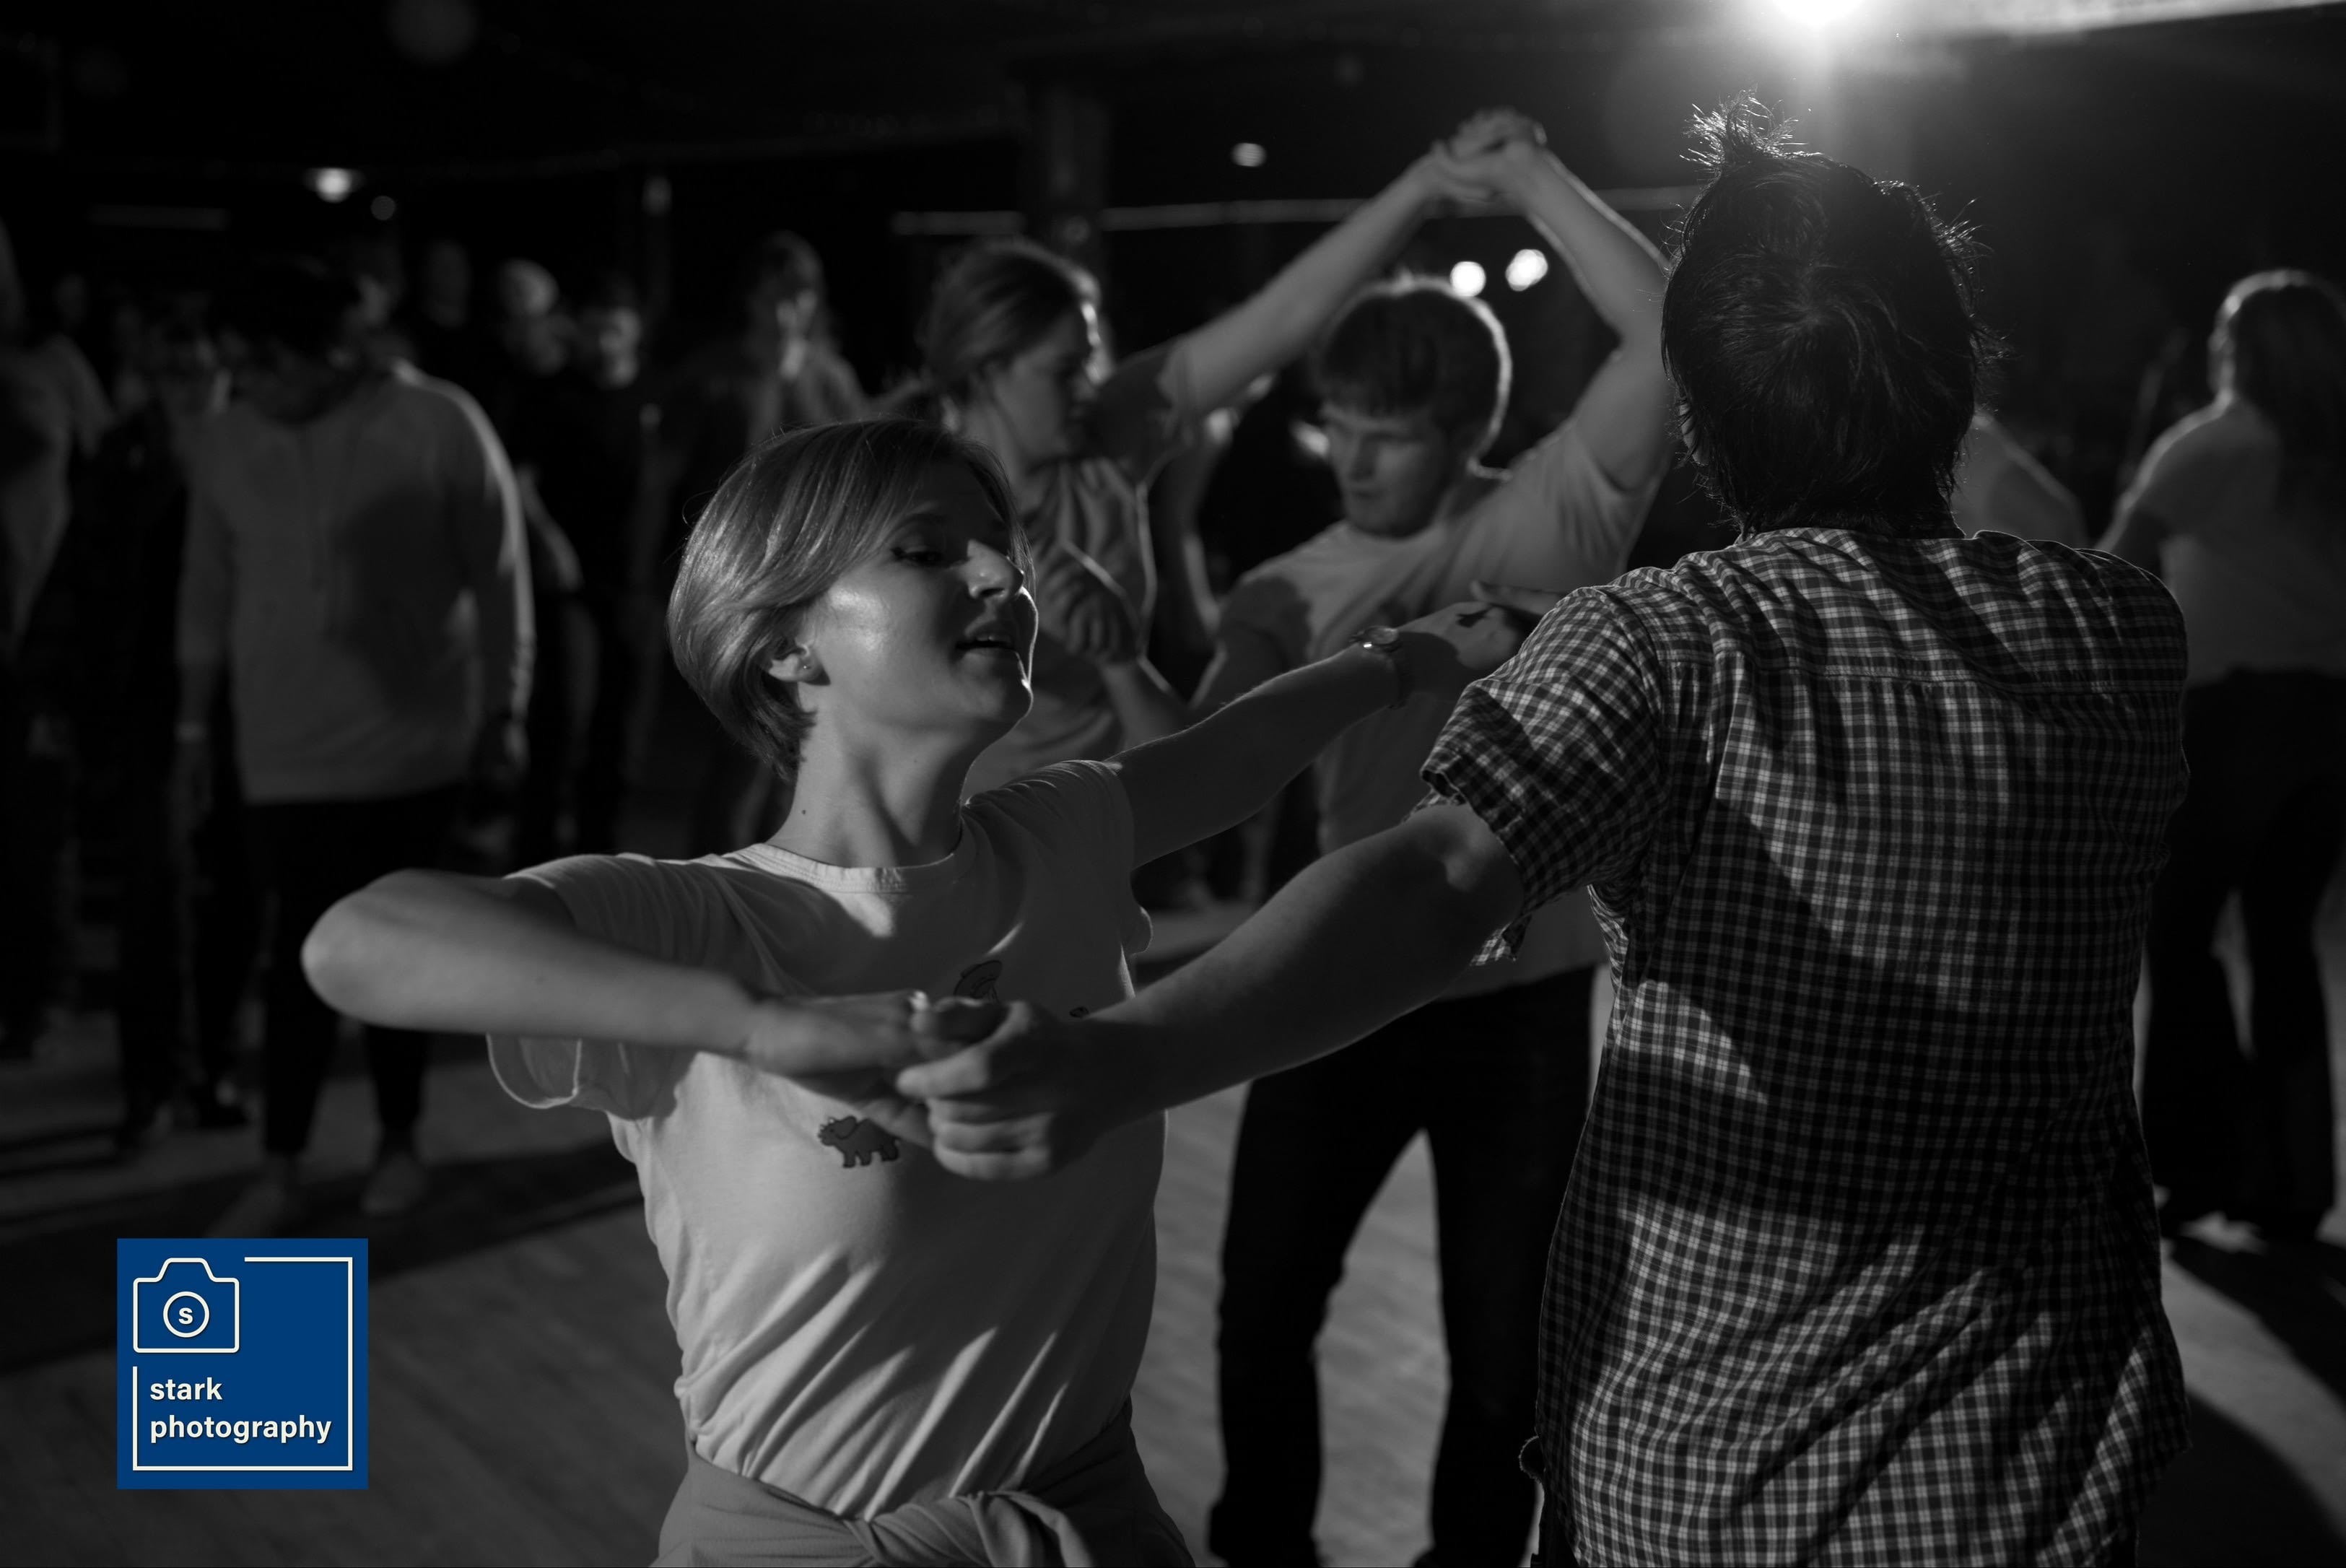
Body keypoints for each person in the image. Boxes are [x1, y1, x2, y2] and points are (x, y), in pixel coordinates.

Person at [897, 105, 2193, 1567]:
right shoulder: (2120, 635)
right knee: (1294, 1312)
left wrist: (1128, 1057)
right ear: (1950, 377)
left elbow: (1440, 873)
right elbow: (2027, 508)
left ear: (1696, 413)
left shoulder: (1664, 644)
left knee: (1465, 1336)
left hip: (1715, 1482)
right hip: (2036, 1481)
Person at [298, 417, 1531, 1562]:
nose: (1004, 575)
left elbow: (1240, 755)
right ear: (787, 643)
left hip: (1083, 1525)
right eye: (929, 550)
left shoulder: (1060, 837)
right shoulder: (698, 919)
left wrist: (1411, 656)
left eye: (1004, 550)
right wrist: (768, 1027)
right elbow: (358, 938)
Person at [1191, 113, 1672, 1568]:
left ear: (1464, 431)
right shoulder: (1287, 585)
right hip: (1332, 987)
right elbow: (1200, 768)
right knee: (1260, 1312)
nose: (1351, 454)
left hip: (1517, 1006)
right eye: (1337, 422)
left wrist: (1525, 176)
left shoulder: (1554, 513)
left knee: (1507, 1359)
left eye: (1386, 430)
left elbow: (1672, 334)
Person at [904, 130, 1496, 798]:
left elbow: (1281, 319)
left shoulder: (1107, 438)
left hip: (1103, 808)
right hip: (964, 816)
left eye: (1093, 363)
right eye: (1066, 371)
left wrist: (1424, 183)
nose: (1090, 389)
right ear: (987, 371)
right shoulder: (911, 495)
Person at [180, 256, 531, 1233]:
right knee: (298, 960)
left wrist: (504, 709)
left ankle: (398, 1142)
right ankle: (281, 1164)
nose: (249, 385)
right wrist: (192, 728)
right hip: (281, 747)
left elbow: (501, 577)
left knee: (403, 959)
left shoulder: (438, 422)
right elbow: (205, 592)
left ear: (331, 351)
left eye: (265, 363)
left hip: (414, 747)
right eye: (237, 366)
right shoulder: (227, 439)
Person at [2103, 269, 2346, 1243]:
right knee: (2283, 937)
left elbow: (2117, 564)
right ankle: (2293, 1179)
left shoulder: (2214, 441)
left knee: (2181, 932)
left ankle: (2198, 1161)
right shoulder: (2327, 456)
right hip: (2329, 717)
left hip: (2232, 713)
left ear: (2238, 349)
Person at [660, 231, 872, 851]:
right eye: (771, 296)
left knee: (800, 746)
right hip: (736, 585)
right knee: (740, 749)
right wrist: (647, 580)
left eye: (797, 297)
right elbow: (663, 480)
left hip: (816, 585)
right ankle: (722, 883)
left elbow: (864, 477)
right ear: (749, 300)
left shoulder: (829, 378)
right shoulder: (712, 376)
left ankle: (781, 880)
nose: (784, 312)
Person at [505, 270, 664, 853]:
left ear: (635, 331)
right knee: (564, 720)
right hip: (571, 587)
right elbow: (519, 479)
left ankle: (603, 858)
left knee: (623, 736)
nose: (603, 343)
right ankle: (536, 855)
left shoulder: (658, 396)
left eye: (614, 330)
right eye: (594, 330)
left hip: (637, 587)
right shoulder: (553, 395)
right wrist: (548, 541)